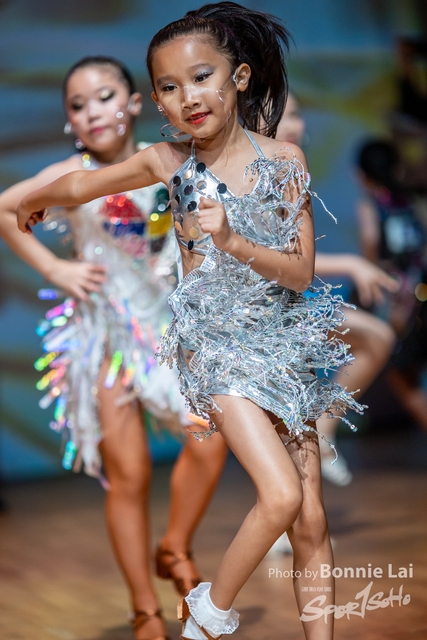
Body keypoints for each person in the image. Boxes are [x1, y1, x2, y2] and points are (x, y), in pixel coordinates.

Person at [16, 4, 367, 638]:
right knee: (281, 495)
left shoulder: (285, 160)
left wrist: (232, 240)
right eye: (171, 88)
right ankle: (207, 616)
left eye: (201, 77)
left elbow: (299, 273)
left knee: (310, 519)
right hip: (217, 352)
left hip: (285, 347)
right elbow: (80, 187)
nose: (189, 97)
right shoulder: (168, 162)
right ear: (157, 101)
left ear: (239, 77)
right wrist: (37, 199)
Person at [0, 55, 229, 640]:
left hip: (172, 334)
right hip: (107, 340)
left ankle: (174, 545)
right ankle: (144, 609)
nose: (92, 112)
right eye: (77, 105)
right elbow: (6, 207)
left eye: (104, 97)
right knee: (127, 476)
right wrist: (55, 267)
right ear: (69, 121)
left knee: (210, 437)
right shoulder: (69, 174)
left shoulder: (168, 159)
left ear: (133, 103)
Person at [274, 92, 397, 487]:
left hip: (298, 304)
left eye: (297, 114)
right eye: (281, 115)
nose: (294, 124)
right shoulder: (257, 176)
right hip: (264, 312)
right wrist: (353, 263)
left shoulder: (293, 171)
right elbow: (286, 260)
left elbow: (299, 257)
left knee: (377, 338)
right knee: (286, 440)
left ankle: (325, 434)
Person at [356, 139, 427, 434]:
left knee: (401, 377)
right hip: (422, 292)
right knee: (407, 375)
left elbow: (371, 246)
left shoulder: (370, 205)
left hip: (400, 303)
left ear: (361, 175)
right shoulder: (411, 202)